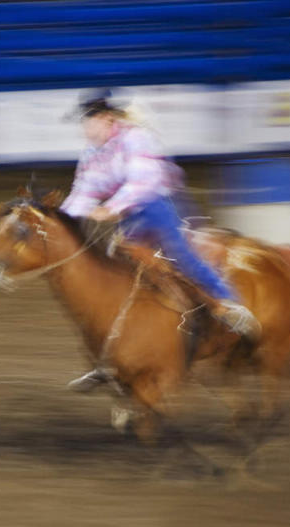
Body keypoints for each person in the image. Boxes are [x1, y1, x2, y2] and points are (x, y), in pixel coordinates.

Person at [62, 89, 261, 393]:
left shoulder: (135, 138)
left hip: (155, 206)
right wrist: (60, 218)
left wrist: (109, 208)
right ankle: (113, 353)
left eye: (87, 122)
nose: (84, 129)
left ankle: (229, 304)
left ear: (104, 118)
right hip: (130, 216)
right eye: (82, 123)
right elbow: (81, 191)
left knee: (181, 255)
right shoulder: (91, 154)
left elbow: (142, 182)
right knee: (116, 265)